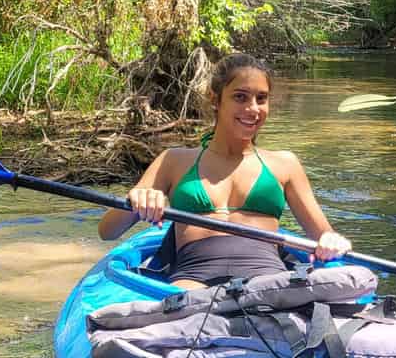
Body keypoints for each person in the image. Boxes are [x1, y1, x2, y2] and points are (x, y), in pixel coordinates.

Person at [98, 54, 351, 289]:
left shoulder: (285, 164)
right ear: (215, 99)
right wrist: (136, 200)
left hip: (267, 276)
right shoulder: (173, 160)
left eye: (261, 99)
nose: (253, 108)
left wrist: (332, 242)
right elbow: (107, 231)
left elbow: (324, 236)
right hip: (192, 277)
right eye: (240, 97)